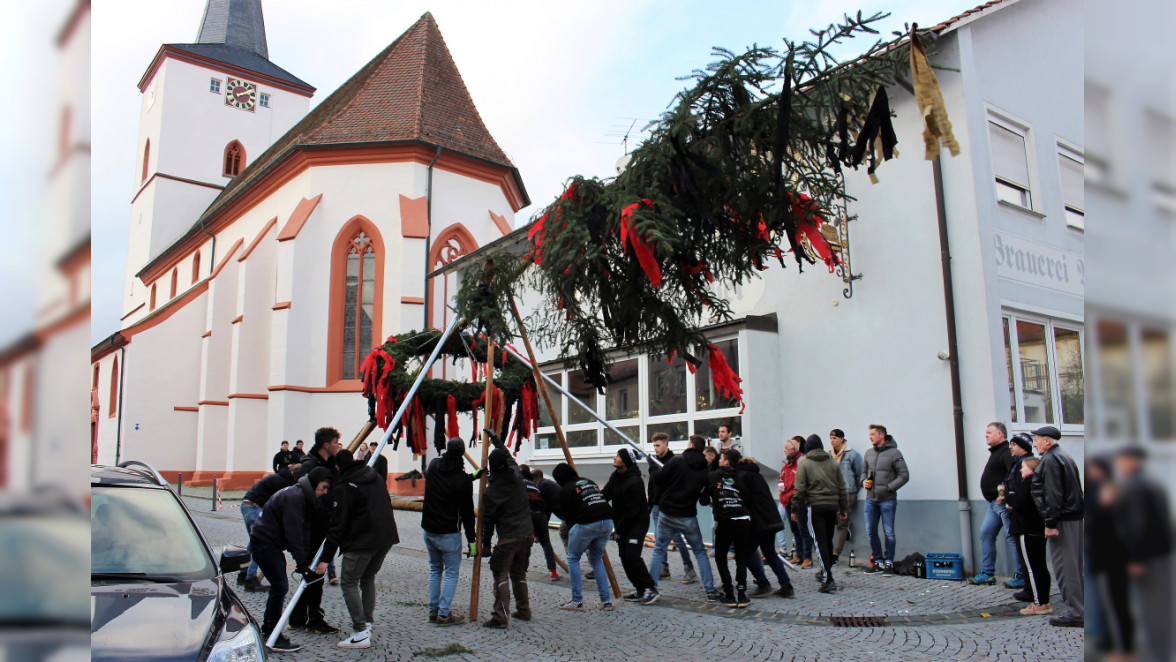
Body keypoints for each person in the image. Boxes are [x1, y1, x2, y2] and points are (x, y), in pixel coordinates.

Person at [248, 466, 334, 654]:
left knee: (280, 586)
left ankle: (270, 630)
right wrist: (302, 564)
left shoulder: (302, 495)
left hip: (268, 543)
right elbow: (294, 532)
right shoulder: (295, 498)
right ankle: (272, 633)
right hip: (264, 543)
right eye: (324, 487)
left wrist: (303, 561)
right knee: (280, 587)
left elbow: (303, 531)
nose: (325, 492)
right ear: (314, 483)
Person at [319, 450, 399, 649]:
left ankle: (360, 631)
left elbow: (337, 526)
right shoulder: (375, 476)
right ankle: (368, 622)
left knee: (349, 581)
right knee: (368, 577)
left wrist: (325, 558)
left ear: (338, 468)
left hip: (363, 540)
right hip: (385, 537)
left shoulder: (345, 486)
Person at [1111, 446, 1172, 660]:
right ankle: (1161, 648)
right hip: (1160, 554)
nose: (1118, 465)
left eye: (1121, 460)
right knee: (1159, 604)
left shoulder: (1135, 487)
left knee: (1151, 606)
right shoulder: (1151, 484)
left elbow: (1138, 525)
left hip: (1148, 557)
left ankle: (1158, 652)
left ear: (1133, 461)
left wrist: (1136, 558)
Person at [646, 434, 718, 604]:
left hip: (668, 511)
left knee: (659, 549)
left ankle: (651, 589)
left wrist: (652, 468)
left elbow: (658, 479)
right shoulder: (705, 470)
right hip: (687, 514)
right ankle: (710, 590)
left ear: (691, 446)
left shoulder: (677, 461)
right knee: (700, 551)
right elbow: (704, 498)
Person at [1028, 425, 1083, 628]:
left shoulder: (1051, 460)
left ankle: (1077, 612)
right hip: (1073, 517)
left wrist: (1050, 523)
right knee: (1075, 567)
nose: (1035, 443)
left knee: (1065, 568)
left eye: (1038, 439)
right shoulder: (1064, 456)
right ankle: (1081, 608)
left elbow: (1053, 494)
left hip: (1062, 520)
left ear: (1047, 441)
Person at [290, 427, 342, 632]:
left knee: (313, 575)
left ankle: (298, 616)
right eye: (336, 442)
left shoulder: (328, 464)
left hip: (323, 524)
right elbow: (307, 497)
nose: (338, 446)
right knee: (315, 574)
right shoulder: (310, 466)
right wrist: (325, 511)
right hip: (313, 527)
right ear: (326, 445)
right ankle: (313, 618)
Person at [480, 430, 534, 628]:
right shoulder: (517, 474)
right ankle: (524, 609)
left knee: (500, 573)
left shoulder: (492, 492)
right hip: (527, 534)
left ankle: (500, 617)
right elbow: (507, 454)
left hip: (509, 538)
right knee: (519, 573)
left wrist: (486, 545)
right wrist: (495, 439)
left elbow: (488, 521)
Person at [421, 438, 477, 626]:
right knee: (451, 572)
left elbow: (447, 481)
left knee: (435, 570)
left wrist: (471, 477)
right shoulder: (462, 480)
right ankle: (444, 614)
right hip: (449, 532)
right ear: (462, 454)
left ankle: (433, 610)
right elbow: (468, 513)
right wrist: (472, 540)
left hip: (429, 528)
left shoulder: (434, 465)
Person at [553, 461, 614, 611]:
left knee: (573, 558)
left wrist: (581, 537)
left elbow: (569, 518)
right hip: (607, 520)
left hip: (586, 522)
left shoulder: (565, 490)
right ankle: (606, 601)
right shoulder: (589, 481)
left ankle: (577, 600)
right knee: (596, 558)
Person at [969, 422, 1024, 587]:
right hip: (992, 504)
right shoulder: (996, 452)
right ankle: (987, 573)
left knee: (1012, 537)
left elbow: (1013, 474)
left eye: (989, 432)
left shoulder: (1006, 452)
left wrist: (1004, 495)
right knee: (986, 532)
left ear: (1000, 434)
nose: (986, 435)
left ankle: (1021, 574)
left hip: (1001, 503)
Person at [791, 434, 847, 593]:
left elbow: (799, 489)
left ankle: (827, 577)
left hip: (815, 506)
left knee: (819, 540)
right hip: (832, 506)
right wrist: (843, 509)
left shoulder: (804, 464)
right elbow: (842, 487)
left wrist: (795, 509)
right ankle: (825, 571)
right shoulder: (832, 463)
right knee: (827, 539)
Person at [735, 455, 795, 598]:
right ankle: (786, 585)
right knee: (769, 552)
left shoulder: (743, 476)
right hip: (771, 518)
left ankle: (763, 583)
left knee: (747, 552)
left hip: (758, 520)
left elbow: (744, 498)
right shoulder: (757, 475)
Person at [702, 449, 754, 607]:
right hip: (743, 519)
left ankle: (729, 593)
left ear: (726, 462)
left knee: (720, 557)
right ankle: (742, 593)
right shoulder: (741, 477)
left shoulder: (713, 476)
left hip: (725, 520)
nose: (718, 460)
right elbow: (748, 497)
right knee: (741, 558)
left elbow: (703, 500)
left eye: (721, 458)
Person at [602, 448, 655, 602]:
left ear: (625, 461)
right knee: (624, 557)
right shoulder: (616, 476)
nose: (614, 457)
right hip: (622, 522)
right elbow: (606, 493)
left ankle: (650, 589)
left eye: (618, 456)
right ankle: (639, 589)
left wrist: (619, 530)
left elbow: (632, 511)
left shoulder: (635, 481)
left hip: (637, 523)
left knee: (632, 556)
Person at [645, 432, 697, 584]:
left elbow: (666, 481)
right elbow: (652, 484)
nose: (656, 449)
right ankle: (663, 567)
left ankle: (689, 567)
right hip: (656, 504)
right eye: (654, 446)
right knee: (660, 537)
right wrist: (650, 503)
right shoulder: (654, 462)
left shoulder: (674, 461)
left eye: (658, 446)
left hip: (669, 505)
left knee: (676, 537)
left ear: (666, 445)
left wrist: (654, 467)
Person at [238, 465, 297, 591]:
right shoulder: (285, 483)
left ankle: (243, 573)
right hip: (254, 508)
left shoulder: (280, 476)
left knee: (253, 542)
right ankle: (251, 579)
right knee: (258, 544)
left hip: (247, 505)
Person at [1007, 456, 1051, 616]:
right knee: (1040, 566)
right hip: (1037, 528)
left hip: (1027, 528)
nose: (1020, 470)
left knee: (1032, 568)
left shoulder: (1029, 481)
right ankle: (1044, 601)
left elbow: (1018, 502)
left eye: (1023, 467)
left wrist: (1008, 497)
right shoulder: (1040, 482)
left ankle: (1039, 603)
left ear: (1031, 469)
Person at [862, 424, 909, 573]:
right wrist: (864, 482)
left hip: (887, 499)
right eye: (870, 435)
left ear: (882, 435)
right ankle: (878, 561)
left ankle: (889, 561)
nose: (870, 437)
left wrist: (889, 487)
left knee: (888, 532)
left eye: (873, 434)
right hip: (870, 499)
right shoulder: (868, 453)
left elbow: (904, 475)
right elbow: (863, 473)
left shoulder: (895, 453)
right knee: (871, 531)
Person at [1001, 433, 1036, 603]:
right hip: (1018, 515)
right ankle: (1029, 589)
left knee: (1028, 559)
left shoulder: (1026, 463)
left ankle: (1034, 594)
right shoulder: (1019, 463)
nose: (1010, 447)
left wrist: (1009, 499)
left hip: (1023, 518)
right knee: (1024, 556)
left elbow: (1021, 491)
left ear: (1022, 446)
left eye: (1013, 444)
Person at [520, 464, 559, 581]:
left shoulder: (518, 482)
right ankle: (553, 572)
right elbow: (542, 505)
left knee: (524, 543)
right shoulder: (534, 485)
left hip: (527, 514)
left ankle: (521, 570)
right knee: (546, 542)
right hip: (540, 514)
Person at [828, 429, 862, 564]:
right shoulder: (829, 455)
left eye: (834, 438)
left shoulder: (852, 455)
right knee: (832, 520)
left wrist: (853, 490)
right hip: (832, 492)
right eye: (830, 438)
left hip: (847, 492)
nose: (832, 441)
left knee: (842, 523)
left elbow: (859, 473)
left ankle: (835, 554)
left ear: (842, 439)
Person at [778, 436, 811, 567]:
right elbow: (782, 477)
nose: (784, 450)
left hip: (799, 500)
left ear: (793, 449)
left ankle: (807, 557)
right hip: (787, 500)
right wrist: (781, 486)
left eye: (786, 448)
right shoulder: (787, 463)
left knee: (803, 529)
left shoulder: (802, 462)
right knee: (795, 530)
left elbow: (801, 483)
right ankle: (798, 555)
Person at [531, 468, 562, 581]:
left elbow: (544, 508)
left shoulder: (542, 486)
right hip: (565, 513)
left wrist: (539, 532)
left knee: (547, 541)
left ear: (535, 479)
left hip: (566, 513)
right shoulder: (547, 483)